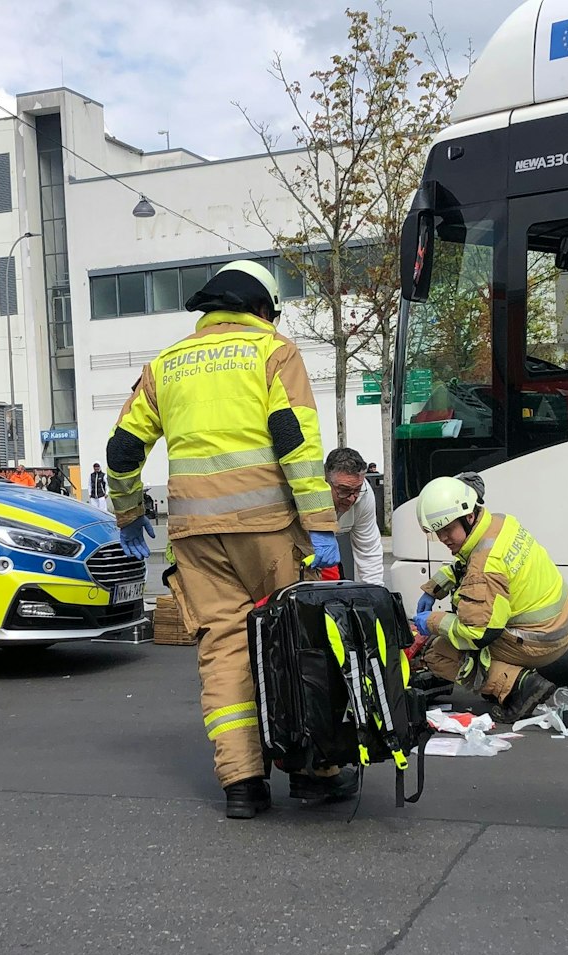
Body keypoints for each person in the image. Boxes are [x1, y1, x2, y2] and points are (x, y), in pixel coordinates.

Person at [105, 260, 341, 818]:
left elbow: (122, 449)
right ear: (260, 307)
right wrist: (321, 523)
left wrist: (128, 512)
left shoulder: (165, 364)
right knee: (295, 641)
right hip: (268, 527)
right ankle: (311, 773)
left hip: (195, 535)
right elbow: (295, 442)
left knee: (225, 650)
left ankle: (242, 783)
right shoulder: (273, 351)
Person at [411, 476, 568, 722]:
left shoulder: (486, 567)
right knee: (464, 621)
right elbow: (466, 564)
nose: (444, 538)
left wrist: (432, 621)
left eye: (447, 529)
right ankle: (506, 676)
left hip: (541, 639)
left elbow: (478, 633)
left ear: (469, 517)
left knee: (438, 651)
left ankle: (520, 687)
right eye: (438, 533)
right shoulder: (498, 523)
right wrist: (433, 588)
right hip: (563, 618)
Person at [324, 447, 384, 584]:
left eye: (357, 490)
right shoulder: (309, 492)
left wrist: (375, 591)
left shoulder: (365, 494)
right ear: (326, 481)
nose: (352, 498)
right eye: (344, 490)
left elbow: (369, 550)